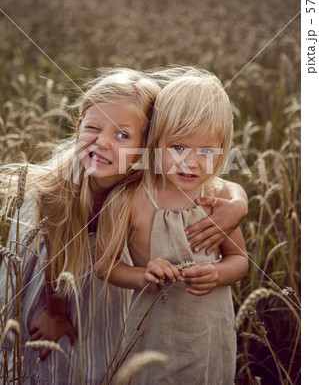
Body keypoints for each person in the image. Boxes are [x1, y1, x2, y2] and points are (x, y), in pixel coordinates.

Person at [0, 67, 247, 384]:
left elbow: (219, 184)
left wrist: (240, 204)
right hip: (58, 282)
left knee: (106, 356)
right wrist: (56, 313)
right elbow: (56, 256)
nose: (101, 142)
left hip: (112, 286)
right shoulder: (62, 188)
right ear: (79, 125)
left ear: (147, 144)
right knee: (57, 361)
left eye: (121, 135)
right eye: (92, 128)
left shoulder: (152, 177)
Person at [104, 66, 249, 385]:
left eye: (207, 151)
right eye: (179, 147)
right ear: (156, 141)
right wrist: (142, 275)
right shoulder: (131, 200)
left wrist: (218, 273)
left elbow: (239, 260)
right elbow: (107, 266)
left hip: (207, 330)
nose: (191, 162)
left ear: (222, 151)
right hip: (154, 332)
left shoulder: (218, 197)